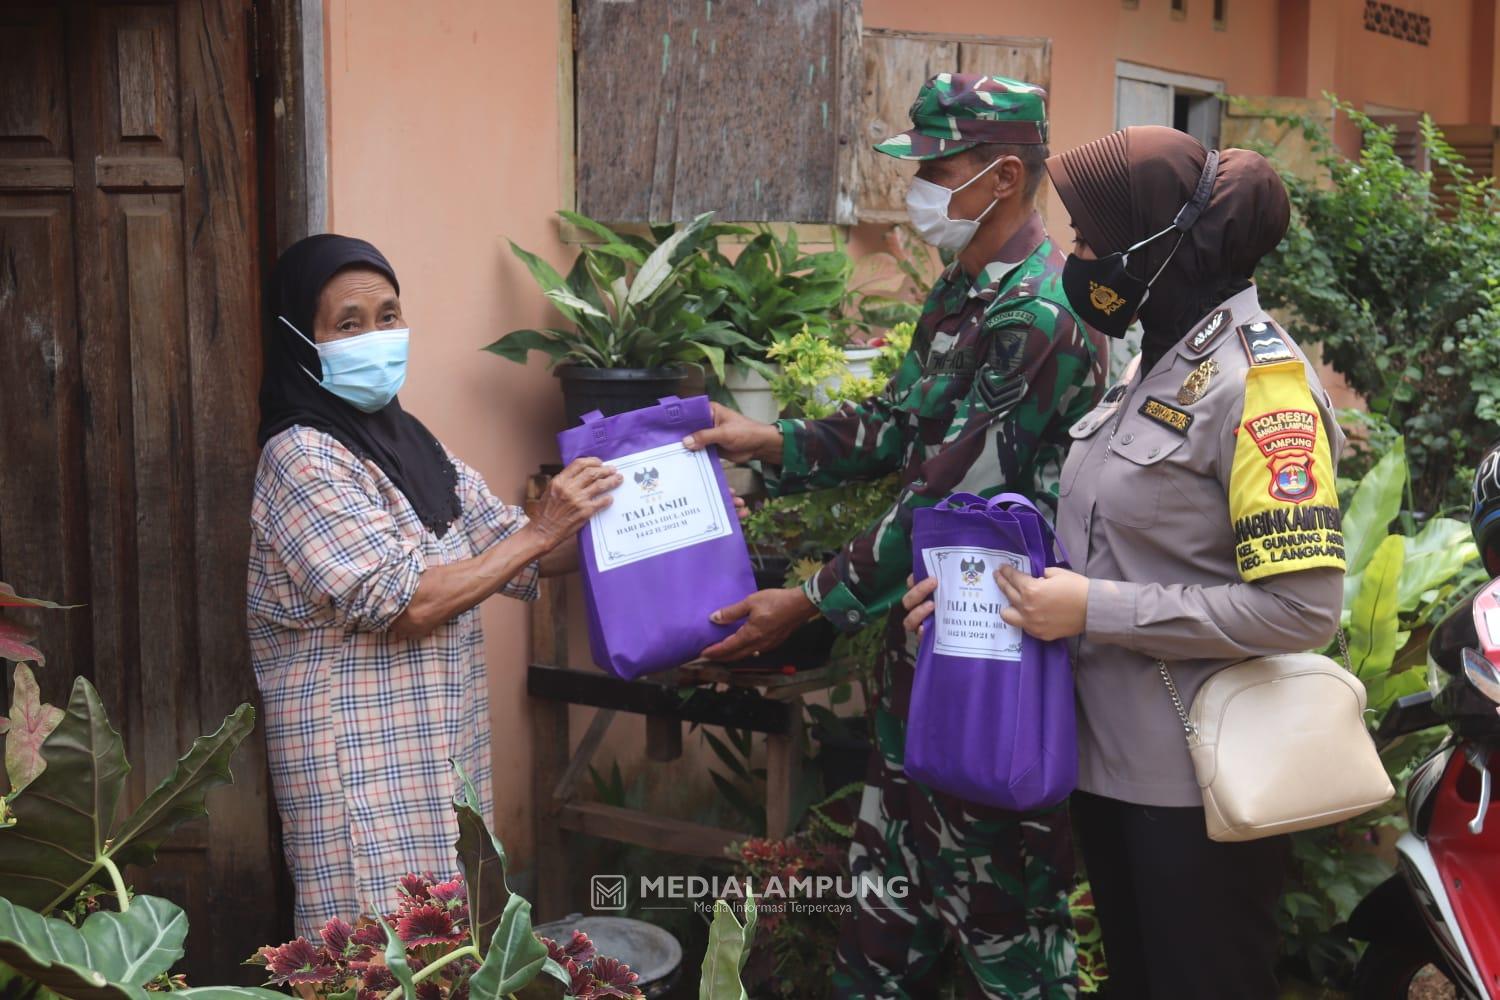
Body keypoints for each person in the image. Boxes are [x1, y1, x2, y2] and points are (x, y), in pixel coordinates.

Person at [686, 74, 1107, 998]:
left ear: (1001, 178)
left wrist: (808, 600)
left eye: (935, 166)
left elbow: (943, 494)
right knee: (879, 939)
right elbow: (897, 426)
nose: (915, 186)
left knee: (1012, 950)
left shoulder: (1041, 316)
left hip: (996, 672)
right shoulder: (964, 295)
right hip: (921, 664)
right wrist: (771, 439)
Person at [903, 126, 1347, 999]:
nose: (1080, 254)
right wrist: (981, 602)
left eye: (1096, 237)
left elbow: (1301, 612)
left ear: (1162, 244)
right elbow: (1108, 552)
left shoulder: (1261, 391)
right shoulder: (1156, 362)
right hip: (1106, 769)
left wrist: (1093, 609)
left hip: (1201, 790)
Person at [247, 234, 619, 937]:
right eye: (349, 324)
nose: (379, 336)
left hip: (438, 756)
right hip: (358, 768)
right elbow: (406, 604)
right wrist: (540, 531)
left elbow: (517, 547)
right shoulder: (300, 456)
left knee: (447, 949)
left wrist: (659, 523)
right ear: (301, 339)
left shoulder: (410, 441)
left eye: (389, 316)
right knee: (368, 953)